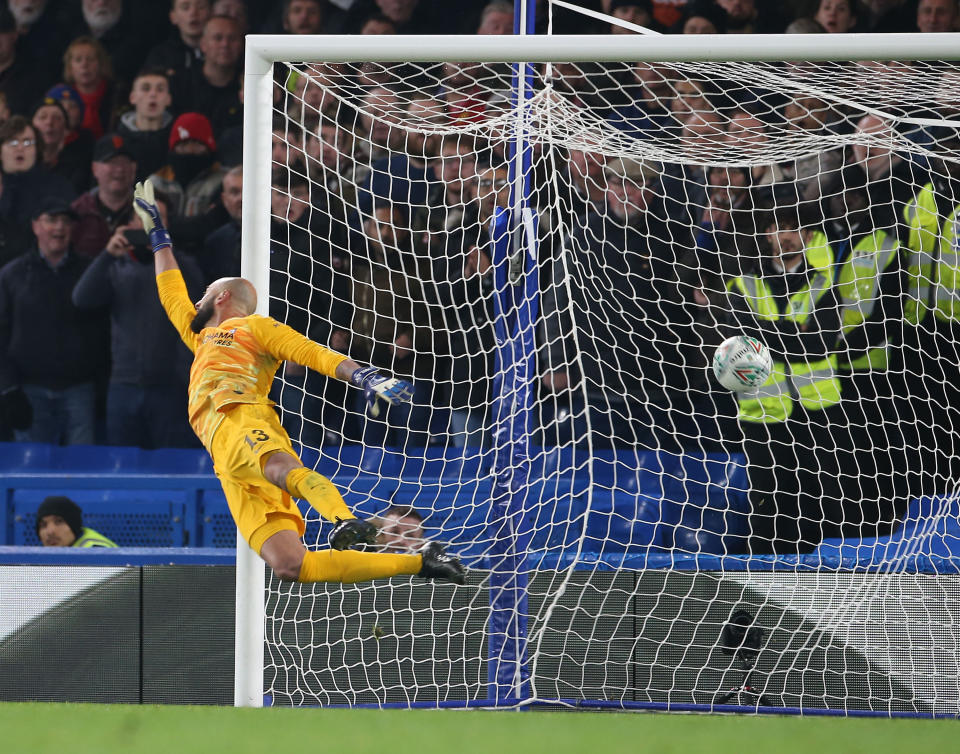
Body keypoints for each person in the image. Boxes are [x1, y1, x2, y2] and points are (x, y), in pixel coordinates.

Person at [135, 179, 465, 585]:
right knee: (291, 564)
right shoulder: (201, 337)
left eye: (205, 293)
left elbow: (313, 353)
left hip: (240, 417)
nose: (197, 299)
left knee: (279, 466)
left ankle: (345, 520)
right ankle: (420, 563)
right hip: (227, 462)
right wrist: (157, 234)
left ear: (221, 297)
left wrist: (363, 375)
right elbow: (171, 291)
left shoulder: (254, 327)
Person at [724, 205, 848, 554]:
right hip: (762, 414)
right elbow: (741, 346)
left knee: (818, 500)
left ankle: (821, 585)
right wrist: (795, 331)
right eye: (778, 228)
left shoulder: (825, 284)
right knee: (766, 504)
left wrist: (768, 336)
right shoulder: (742, 285)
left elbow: (818, 344)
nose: (786, 236)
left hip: (818, 411)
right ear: (766, 235)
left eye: (794, 228)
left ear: (808, 236)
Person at [72, 191, 201, 448]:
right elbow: (81, 299)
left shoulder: (185, 267)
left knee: (171, 467)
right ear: (130, 223)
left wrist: (183, 376)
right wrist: (107, 254)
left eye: (158, 217)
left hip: (170, 387)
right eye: (144, 217)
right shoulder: (116, 266)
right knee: (123, 467)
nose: (151, 223)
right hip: (124, 385)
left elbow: (200, 321)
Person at [0, 198, 108, 445]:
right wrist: (8, 388)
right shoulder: (11, 274)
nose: (59, 228)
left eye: (65, 221)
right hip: (29, 390)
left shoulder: (89, 271)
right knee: (32, 473)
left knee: (83, 472)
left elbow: (104, 329)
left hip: (80, 388)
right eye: (51, 220)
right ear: (35, 225)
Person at [71, 132, 138, 258]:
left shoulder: (147, 211)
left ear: (134, 168)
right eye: (111, 162)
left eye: (124, 162)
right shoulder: (77, 212)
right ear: (94, 168)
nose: (119, 169)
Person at [116, 67, 175, 181]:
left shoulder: (177, 144)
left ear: (168, 99)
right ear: (132, 97)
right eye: (145, 88)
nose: (153, 94)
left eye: (160, 89)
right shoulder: (116, 143)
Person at [144, 0, 210, 80]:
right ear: (173, 16)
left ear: (211, 13)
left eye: (201, 7)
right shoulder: (161, 55)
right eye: (185, 7)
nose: (193, 13)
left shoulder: (222, 51)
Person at [36, 495, 117, 547]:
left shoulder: (95, 551)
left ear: (74, 526)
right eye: (43, 525)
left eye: (59, 522)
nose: (50, 532)